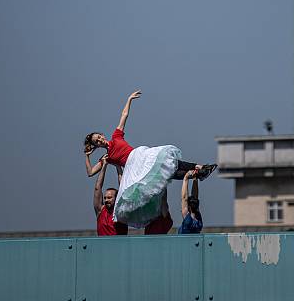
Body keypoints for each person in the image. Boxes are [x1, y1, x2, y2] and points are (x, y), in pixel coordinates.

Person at [83, 90, 216, 229]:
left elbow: (124, 116)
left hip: (139, 156)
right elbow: (91, 172)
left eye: (99, 137)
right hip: (133, 169)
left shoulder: (116, 136)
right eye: (97, 142)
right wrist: (87, 155)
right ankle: (196, 173)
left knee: (168, 163)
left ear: (102, 135)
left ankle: (199, 168)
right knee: (167, 173)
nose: (99, 140)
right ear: (97, 146)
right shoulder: (108, 157)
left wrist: (129, 100)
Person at [93, 155, 128, 237]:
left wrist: (118, 166)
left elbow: (123, 188)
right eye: (105, 198)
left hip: (119, 247)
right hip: (103, 247)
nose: (106, 200)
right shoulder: (100, 211)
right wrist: (104, 166)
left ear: (116, 199)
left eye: (109, 198)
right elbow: (97, 188)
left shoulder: (121, 211)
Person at [178, 169, 203, 234]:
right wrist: (191, 178)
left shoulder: (191, 218)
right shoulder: (194, 219)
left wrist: (190, 178)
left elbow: (187, 198)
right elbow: (188, 198)